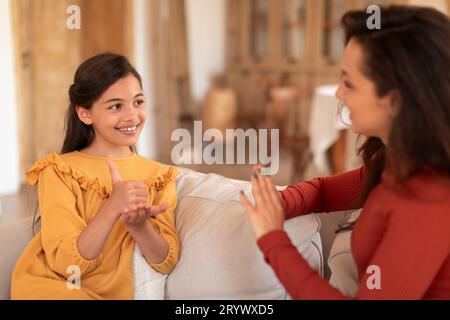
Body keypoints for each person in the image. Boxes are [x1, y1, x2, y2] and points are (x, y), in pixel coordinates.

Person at [240, 5, 450, 299]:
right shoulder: (394, 163)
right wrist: (278, 202)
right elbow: (325, 190)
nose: (338, 93)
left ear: (394, 100)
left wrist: (272, 239)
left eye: (349, 83)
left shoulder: (428, 200)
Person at [11, 53, 180, 299]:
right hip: (53, 287)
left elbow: (165, 262)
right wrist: (112, 207)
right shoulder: (58, 170)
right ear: (85, 114)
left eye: (138, 101)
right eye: (115, 106)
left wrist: (139, 226)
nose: (132, 115)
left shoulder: (159, 176)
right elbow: (68, 266)